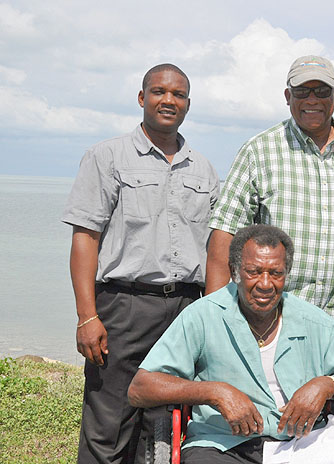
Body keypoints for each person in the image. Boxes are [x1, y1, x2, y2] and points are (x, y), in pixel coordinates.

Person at [61, 63, 219, 464]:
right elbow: (85, 238)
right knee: (109, 422)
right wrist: (86, 316)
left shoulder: (202, 168)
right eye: (159, 92)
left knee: (168, 426)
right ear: (141, 98)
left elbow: (217, 247)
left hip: (187, 307)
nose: (169, 100)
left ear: (187, 104)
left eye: (178, 94)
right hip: (125, 306)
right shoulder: (107, 156)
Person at [128, 224, 334, 463]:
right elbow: (140, 388)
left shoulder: (314, 322)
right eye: (254, 272)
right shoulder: (203, 316)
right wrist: (215, 392)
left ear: (286, 275)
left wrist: (326, 385)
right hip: (222, 445)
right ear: (234, 271)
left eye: (276, 273)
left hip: (302, 444)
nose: (265, 284)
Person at [205, 55, 334, 355]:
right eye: (303, 91)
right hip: (270, 324)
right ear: (288, 96)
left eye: (322, 91)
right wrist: (214, 325)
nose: (312, 99)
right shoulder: (259, 151)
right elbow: (222, 242)